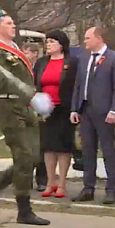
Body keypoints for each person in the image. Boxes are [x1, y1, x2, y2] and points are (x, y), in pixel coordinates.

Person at [0, 10, 51, 227]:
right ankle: (24, 209)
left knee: (33, 156)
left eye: (13, 22)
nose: (13, 26)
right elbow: (5, 78)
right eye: (8, 23)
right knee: (23, 156)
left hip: (25, 106)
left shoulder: (15, 49)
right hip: (9, 106)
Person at [70, 27, 115, 204]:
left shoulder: (114, 58)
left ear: (98, 38)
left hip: (104, 112)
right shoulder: (84, 58)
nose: (84, 41)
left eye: (87, 38)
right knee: (88, 151)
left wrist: (114, 110)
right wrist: (75, 108)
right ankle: (88, 187)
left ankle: (111, 189)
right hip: (86, 110)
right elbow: (78, 85)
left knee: (108, 150)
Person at [34, 30, 78, 198]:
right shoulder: (41, 62)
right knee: (47, 146)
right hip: (45, 110)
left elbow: (76, 86)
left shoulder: (72, 62)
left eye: (52, 41)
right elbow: (35, 83)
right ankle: (50, 182)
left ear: (61, 44)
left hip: (64, 109)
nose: (48, 44)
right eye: (47, 41)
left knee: (63, 146)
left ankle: (62, 184)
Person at [22, 42, 47, 191]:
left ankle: (41, 179)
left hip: (37, 109)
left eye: (30, 53)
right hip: (23, 109)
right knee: (24, 147)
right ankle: (25, 178)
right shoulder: (18, 68)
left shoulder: (40, 68)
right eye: (25, 52)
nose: (28, 56)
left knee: (40, 147)